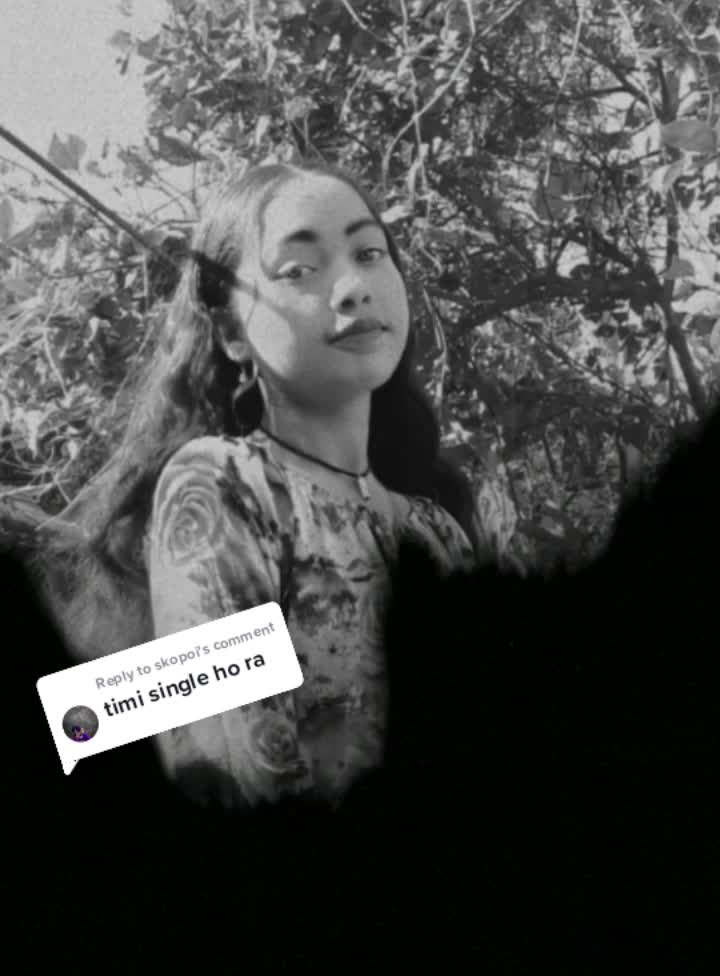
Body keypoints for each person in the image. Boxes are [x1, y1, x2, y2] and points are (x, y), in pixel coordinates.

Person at [37, 158, 483, 807]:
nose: (353, 287)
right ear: (230, 333)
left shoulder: (437, 529)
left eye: (369, 253)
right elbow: (239, 766)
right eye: (298, 270)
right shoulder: (223, 481)